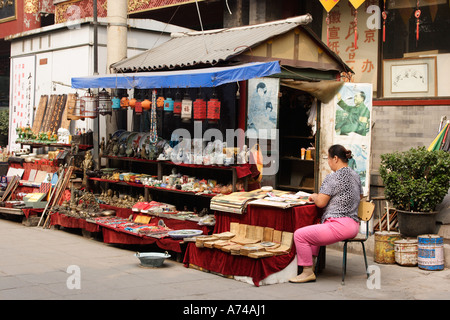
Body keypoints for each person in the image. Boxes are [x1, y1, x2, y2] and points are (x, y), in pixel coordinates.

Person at [289, 144, 363, 283]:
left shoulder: (333, 178)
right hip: (353, 225)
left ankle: (307, 271)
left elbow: (321, 203)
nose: (328, 163)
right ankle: (313, 263)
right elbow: (359, 197)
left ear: (335, 158)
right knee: (316, 225)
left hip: (339, 225)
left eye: (328, 159)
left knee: (299, 235)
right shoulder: (355, 176)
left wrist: (315, 196)